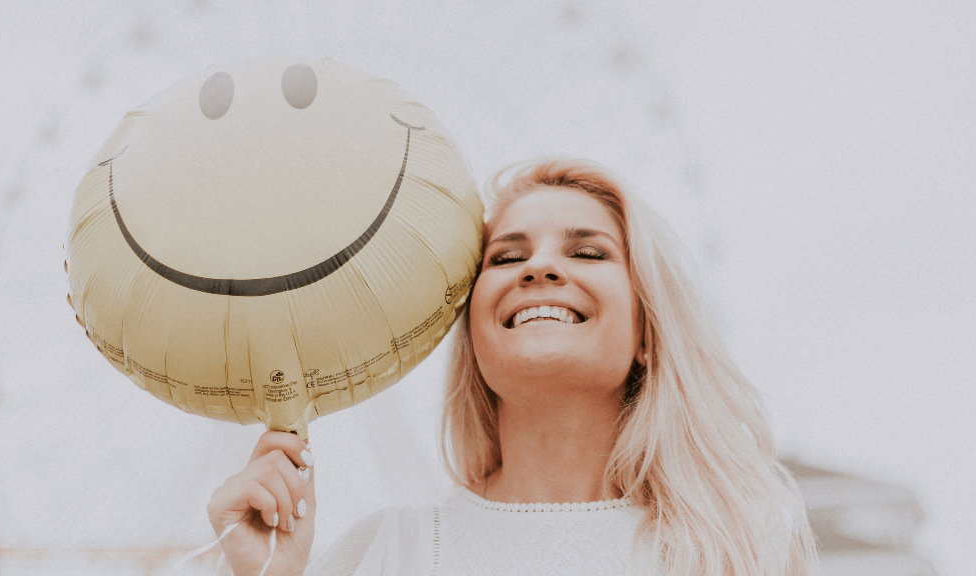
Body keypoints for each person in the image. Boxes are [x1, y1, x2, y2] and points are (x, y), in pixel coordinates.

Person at [207, 159, 816, 576]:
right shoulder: (388, 553)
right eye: (507, 256)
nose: (540, 268)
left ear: (648, 336)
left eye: (587, 251)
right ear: (472, 334)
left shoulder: (735, 554)